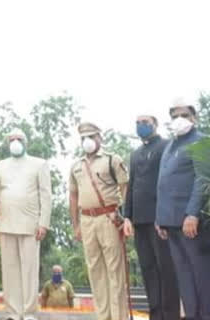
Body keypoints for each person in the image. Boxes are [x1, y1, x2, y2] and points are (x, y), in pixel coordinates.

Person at [156, 99, 210, 320]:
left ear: (194, 118)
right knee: (185, 279)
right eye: (174, 116)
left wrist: (192, 213)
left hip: (193, 223)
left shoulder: (202, 142)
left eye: (184, 114)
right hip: (171, 224)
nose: (179, 119)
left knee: (201, 278)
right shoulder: (171, 146)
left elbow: (204, 180)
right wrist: (159, 218)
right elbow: (163, 183)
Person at [69, 122, 129, 320]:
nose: (88, 141)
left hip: (109, 217)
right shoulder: (76, 166)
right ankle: (103, 316)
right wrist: (75, 224)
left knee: (115, 269)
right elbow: (73, 196)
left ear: (100, 138)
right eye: (84, 138)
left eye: (91, 136)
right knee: (95, 270)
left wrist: (125, 215)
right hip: (87, 219)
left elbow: (125, 187)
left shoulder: (112, 159)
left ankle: (119, 316)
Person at [123, 115, 180, 320]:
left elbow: (169, 181)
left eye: (145, 122)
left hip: (160, 220)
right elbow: (132, 185)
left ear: (155, 124)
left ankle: (170, 315)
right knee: (148, 268)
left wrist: (165, 216)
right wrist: (127, 216)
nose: (141, 126)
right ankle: (155, 315)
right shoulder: (135, 154)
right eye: (137, 122)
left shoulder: (167, 146)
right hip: (139, 220)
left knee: (166, 268)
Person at [0, 128, 51, 320]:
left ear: (26, 142)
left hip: (30, 225)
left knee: (29, 270)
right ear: (8, 143)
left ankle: (29, 312)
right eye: (12, 139)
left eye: (19, 139)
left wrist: (44, 223)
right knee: (10, 271)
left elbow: (46, 195)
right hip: (5, 223)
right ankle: (13, 312)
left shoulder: (39, 164)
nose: (15, 142)